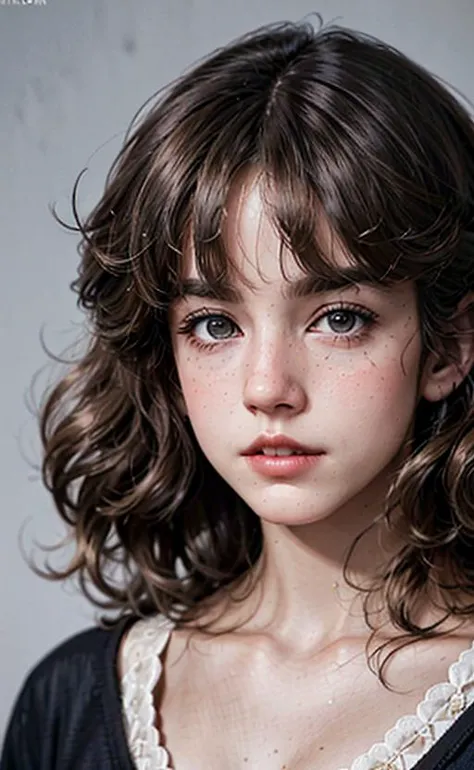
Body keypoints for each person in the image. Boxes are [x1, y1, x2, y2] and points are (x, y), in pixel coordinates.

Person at [3, 16, 474, 770]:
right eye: (215, 324)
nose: (267, 388)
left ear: (450, 344)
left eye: (338, 318)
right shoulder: (63, 707)